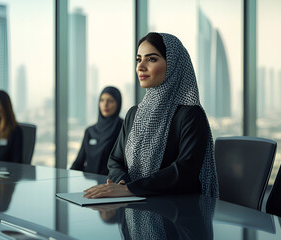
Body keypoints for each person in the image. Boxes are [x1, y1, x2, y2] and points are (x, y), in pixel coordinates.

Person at [83, 32, 218, 199]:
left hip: (179, 213)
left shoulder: (190, 115)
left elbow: (185, 171)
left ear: (173, 65)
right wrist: (125, 185)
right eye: (139, 59)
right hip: (136, 205)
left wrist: (131, 189)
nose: (140, 67)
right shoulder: (134, 113)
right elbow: (115, 161)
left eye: (151, 59)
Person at [70, 86, 123, 175]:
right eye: (102, 100)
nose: (105, 104)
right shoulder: (90, 131)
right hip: (89, 184)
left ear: (118, 104)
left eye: (110, 101)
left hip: (110, 184)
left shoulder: (123, 128)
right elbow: (78, 162)